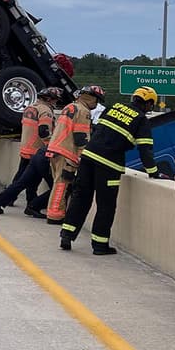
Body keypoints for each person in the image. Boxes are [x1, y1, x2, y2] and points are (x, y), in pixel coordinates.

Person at [59, 86, 163, 254]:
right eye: (151, 105)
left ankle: (67, 234)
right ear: (149, 103)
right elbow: (145, 150)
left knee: (80, 197)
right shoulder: (141, 119)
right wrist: (153, 172)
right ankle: (99, 245)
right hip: (109, 165)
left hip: (88, 157)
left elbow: (95, 130)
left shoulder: (113, 107)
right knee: (105, 205)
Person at [0, 86, 64, 215]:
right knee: (42, 183)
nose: (56, 103)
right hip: (37, 152)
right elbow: (44, 132)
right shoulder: (45, 111)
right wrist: (53, 147)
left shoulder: (30, 108)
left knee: (24, 181)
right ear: (49, 99)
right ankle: (31, 205)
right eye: (55, 100)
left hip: (26, 149)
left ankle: (3, 203)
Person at [44, 85, 103, 224]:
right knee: (62, 184)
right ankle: (55, 215)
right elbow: (81, 137)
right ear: (91, 98)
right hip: (66, 153)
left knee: (57, 183)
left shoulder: (71, 106)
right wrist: (84, 156)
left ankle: (54, 212)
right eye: (97, 100)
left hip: (55, 149)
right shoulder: (84, 111)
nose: (97, 104)